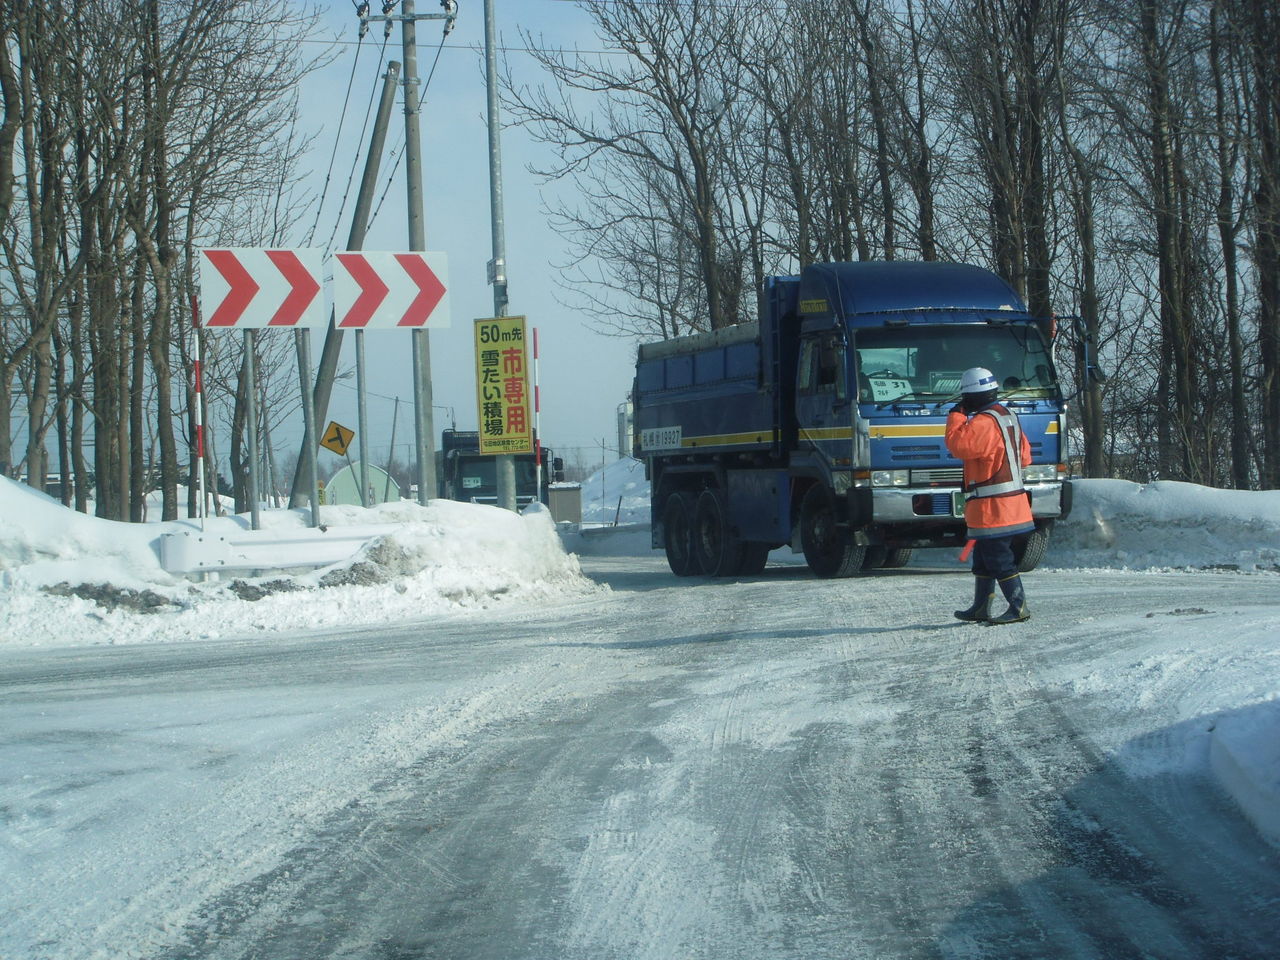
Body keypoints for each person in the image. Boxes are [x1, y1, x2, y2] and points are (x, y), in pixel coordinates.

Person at [945, 367, 1034, 624]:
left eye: (965, 398)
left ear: (973, 396)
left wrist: (956, 417)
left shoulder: (984, 422)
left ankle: (1018, 607)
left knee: (998, 559)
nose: (963, 404)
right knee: (983, 557)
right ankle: (980, 607)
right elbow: (1025, 457)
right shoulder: (1007, 417)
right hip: (1011, 503)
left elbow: (958, 446)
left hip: (993, 508)